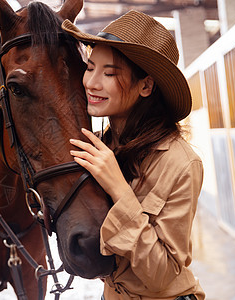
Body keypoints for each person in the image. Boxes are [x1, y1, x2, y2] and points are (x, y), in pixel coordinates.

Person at [61, 10, 205, 300]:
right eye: (90, 68)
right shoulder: (99, 146)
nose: (91, 82)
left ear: (146, 85)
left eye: (109, 73)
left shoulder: (181, 163)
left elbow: (162, 275)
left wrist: (118, 189)